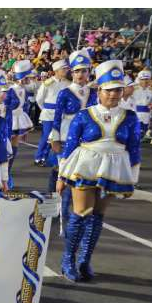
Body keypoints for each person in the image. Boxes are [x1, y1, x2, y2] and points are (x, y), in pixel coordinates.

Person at [57, 60, 140, 282]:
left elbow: (134, 148)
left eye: (117, 90)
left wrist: (132, 176)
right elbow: (70, 146)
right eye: (109, 90)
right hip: (85, 166)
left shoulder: (130, 117)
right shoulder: (84, 115)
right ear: (99, 91)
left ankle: (85, 260)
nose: (113, 95)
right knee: (81, 213)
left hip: (114, 169)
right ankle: (68, 261)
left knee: (97, 216)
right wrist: (61, 176)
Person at [50, 50, 97, 227]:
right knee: (60, 172)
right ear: (72, 72)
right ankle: (54, 207)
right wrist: (54, 139)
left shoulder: (93, 93)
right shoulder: (64, 92)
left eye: (84, 71)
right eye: (77, 71)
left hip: (85, 138)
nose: (80, 75)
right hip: (64, 135)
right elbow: (57, 117)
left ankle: (72, 211)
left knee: (77, 174)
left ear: (88, 72)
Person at [4, 60, 36, 187]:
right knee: (6, 148)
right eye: (28, 77)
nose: (30, 80)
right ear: (22, 77)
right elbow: (5, 109)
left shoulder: (24, 90)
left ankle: (8, 172)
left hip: (20, 120)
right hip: (10, 121)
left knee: (14, 147)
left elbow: (25, 106)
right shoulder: (10, 90)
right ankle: (3, 174)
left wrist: (25, 129)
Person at [34, 59, 70, 165]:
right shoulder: (47, 83)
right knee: (46, 135)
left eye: (66, 69)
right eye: (63, 69)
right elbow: (39, 99)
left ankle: (46, 157)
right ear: (56, 70)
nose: (66, 71)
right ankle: (39, 157)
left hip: (62, 113)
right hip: (49, 113)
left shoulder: (68, 83)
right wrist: (45, 109)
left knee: (56, 136)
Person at [131, 70, 152, 140]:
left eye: (147, 79)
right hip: (134, 114)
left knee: (142, 135)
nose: (145, 81)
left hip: (146, 116)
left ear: (149, 80)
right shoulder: (133, 89)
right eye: (142, 79)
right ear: (139, 80)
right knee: (134, 135)